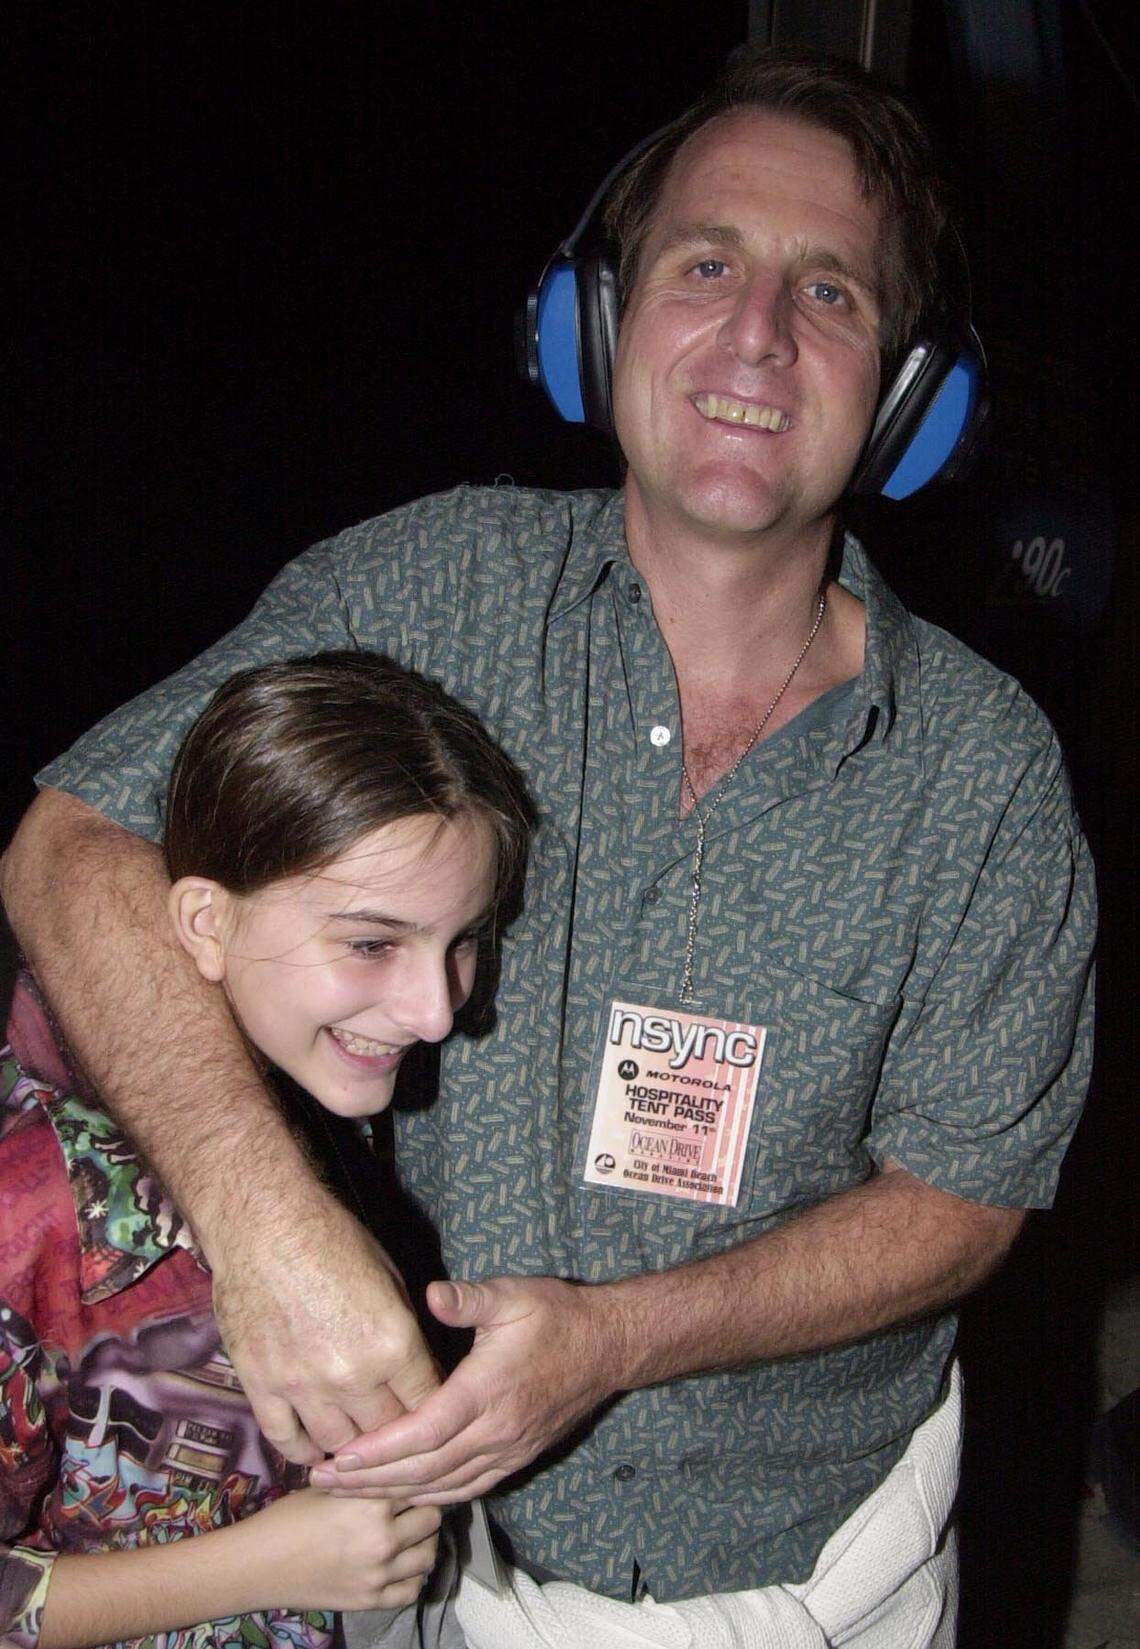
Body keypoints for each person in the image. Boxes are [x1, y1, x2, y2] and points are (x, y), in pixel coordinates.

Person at [1, 45, 1095, 1648]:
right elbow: (70, 845)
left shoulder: (987, 775)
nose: (756, 335)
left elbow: (967, 1195)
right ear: (595, 320)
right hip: (465, 1572)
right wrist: (267, 1231)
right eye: (705, 264)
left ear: (912, 402)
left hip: (834, 1567)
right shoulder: (422, 590)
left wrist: (617, 1338)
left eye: (830, 293)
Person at [0, 652, 532, 1649]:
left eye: (463, 938)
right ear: (205, 921)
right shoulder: (32, 1197)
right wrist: (268, 1564)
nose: (438, 1011)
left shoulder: (314, 1084)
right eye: (372, 942)